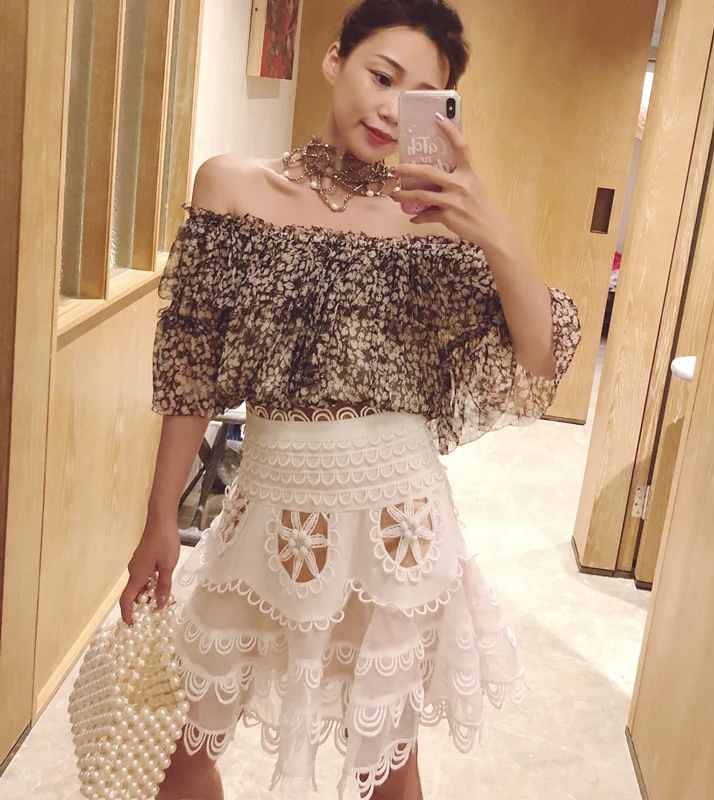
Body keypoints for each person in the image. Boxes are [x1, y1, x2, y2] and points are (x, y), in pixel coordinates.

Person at [120, 1, 581, 798]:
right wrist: (162, 516)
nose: (390, 108)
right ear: (335, 60)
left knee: (387, 771)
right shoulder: (232, 187)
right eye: (382, 76)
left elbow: (541, 355)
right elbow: (191, 365)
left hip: (398, 525)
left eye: (420, 97)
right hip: (270, 512)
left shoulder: (431, 225)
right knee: (183, 754)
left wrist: (493, 225)